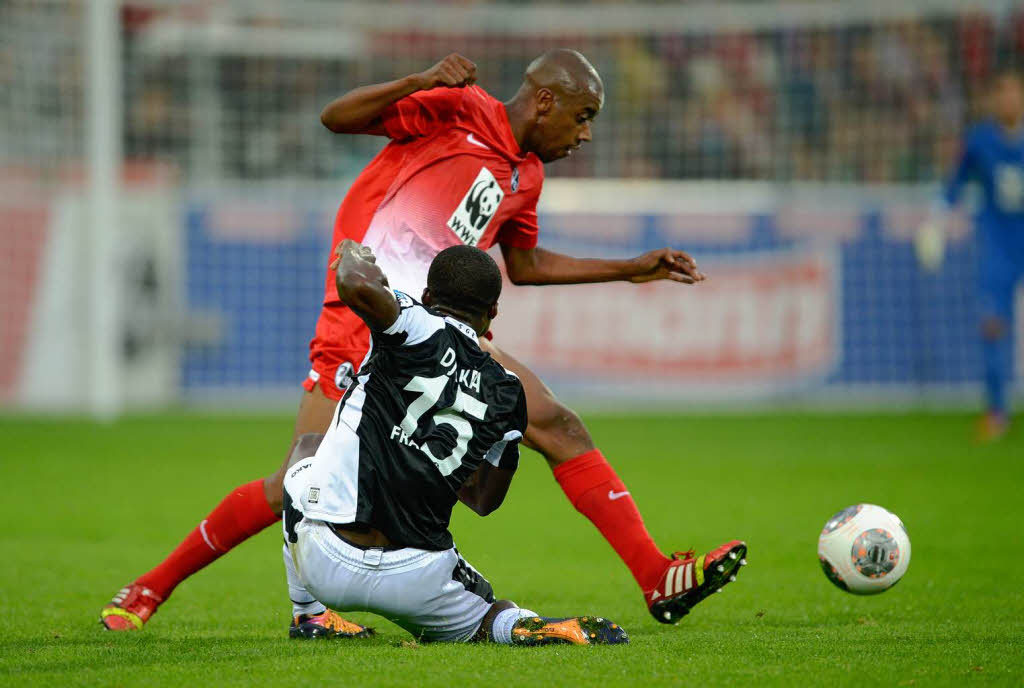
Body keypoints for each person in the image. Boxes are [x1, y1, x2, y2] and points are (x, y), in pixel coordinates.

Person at [101, 50, 746, 635]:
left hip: (439, 329)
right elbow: (336, 117)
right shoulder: (457, 107)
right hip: (367, 314)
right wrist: (419, 80)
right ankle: (153, 588)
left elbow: (522, 265)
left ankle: (656, 575)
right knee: (297, 481)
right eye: (582, 116)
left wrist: (627, 269)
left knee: (555, 421)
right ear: (545, 99)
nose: (584, 134)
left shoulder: (526, 176)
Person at [282, 240, 634, 645]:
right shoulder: (508, 391)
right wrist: (433, 459)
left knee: (307, 448)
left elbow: (354, 284)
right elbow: (484, 501)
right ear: (492, 315)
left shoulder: (413, 322)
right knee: (493, 615)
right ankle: (523, 625)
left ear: (428, 296)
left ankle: (309, 615)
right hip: (419, 576)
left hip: (328, 560)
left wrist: (354, 254)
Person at [916, 68, 1024, 441]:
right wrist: (934, 222)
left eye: (1014, 93)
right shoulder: (980, 141)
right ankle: (997, 412)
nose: (1008, 101)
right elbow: (954, 186)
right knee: (992, 326)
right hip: (999, 248)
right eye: (1002, 94)